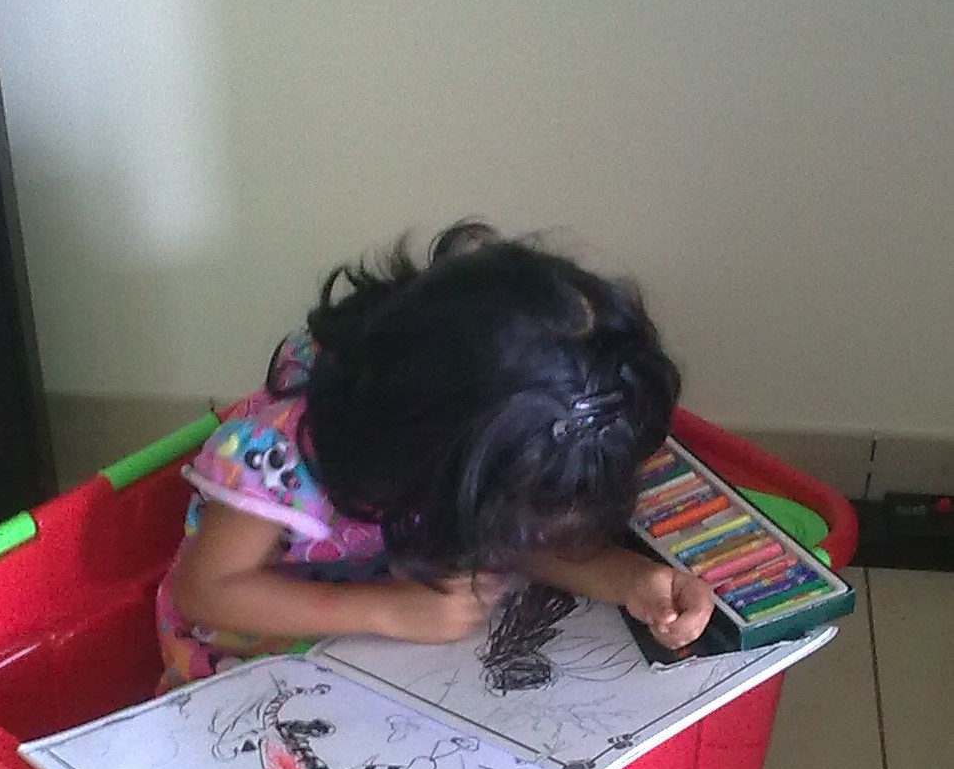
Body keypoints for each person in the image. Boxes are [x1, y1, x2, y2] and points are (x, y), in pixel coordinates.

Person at [155, 220, 714, 689]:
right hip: (250, 662)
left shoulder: (465, 442)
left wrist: (630, 580)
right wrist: (387, 611)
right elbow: (204, 592)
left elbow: (519, 541)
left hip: (397, 648)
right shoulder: (278, 457)